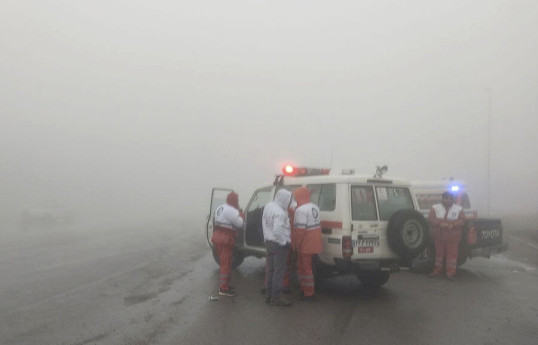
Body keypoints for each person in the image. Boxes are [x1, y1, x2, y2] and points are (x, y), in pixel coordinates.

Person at [262, 189, 293, 307]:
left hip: (269, 242)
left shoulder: (269, 206)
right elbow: (277, 231)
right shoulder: (280, 213)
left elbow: (265, 222)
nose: (290, 202)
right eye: (289, 200)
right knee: (279, 272)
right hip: (278, 244)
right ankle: (276, 297)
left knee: (270, 269)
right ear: (284, 199)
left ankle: (268, 295)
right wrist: (284, 242)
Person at [211, 191, 244, 296]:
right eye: (237, 200)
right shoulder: (232, 210)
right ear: (234, 200)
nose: (238, 202)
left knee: (224, 262)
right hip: (225, 238)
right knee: (226, 264)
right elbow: (240, 224)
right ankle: (223, 289)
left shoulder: (220, 208)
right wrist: (241, 214)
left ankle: (225, 285)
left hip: (217, 237)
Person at [427, 191, 465, 280]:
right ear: (442, 198)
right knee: (438, 255)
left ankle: (450, 273)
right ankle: (437, 271)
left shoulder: (459, 209)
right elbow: (431, 219)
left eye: (450, 198)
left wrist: (453, 225)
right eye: (446, 198)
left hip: (453, 237)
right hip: (439, 237)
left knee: (452, 256)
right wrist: (440, 224)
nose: (448, 200)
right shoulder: (435, 208)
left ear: (453, 199)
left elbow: (462, 221)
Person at [293, 187, 322, 300]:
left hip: (306, 243)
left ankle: (308, 293)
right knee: (309, 268)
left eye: (296, 196)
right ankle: (306, 290)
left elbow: (300, 230)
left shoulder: (300, 210)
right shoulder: (314, 206)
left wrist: (297, 244)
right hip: (315, 242)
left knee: (305, 269)